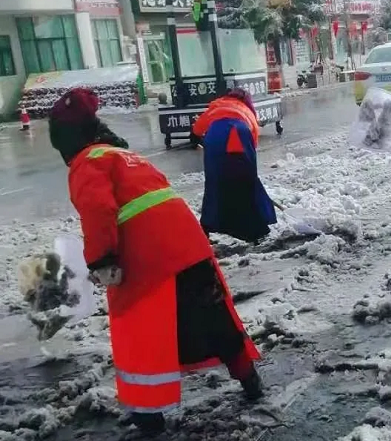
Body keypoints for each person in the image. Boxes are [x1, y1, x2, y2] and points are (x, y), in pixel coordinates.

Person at [48, 88, 262, 435]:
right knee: (213, 315)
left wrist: (102, 259)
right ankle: (248, 377)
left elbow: (98, 211)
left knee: (138, 331)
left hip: (149, 257)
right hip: (189, 245)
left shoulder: (87, 163)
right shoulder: (122, 155)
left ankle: (147, 415)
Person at [191, 88, 277, 243]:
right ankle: (253, 230)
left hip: (214, 137)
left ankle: (208, 225)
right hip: (240, 136)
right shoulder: (247, 111)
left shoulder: (217, 106)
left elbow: (197, 128)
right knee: (246, 183)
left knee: (214, 182)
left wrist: (198, 138)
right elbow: (253, 139)